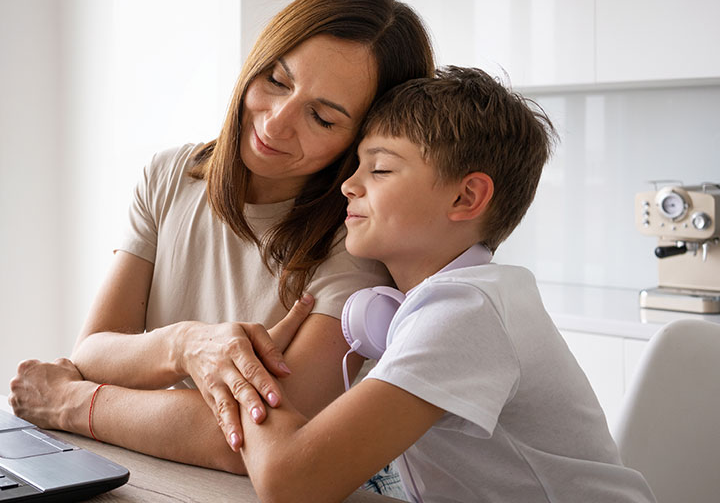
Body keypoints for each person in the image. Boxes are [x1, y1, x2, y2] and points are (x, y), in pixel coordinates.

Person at [8, 0, 435, 489]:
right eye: (276, 80)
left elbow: (248, 442)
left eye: (321, 116)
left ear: (365, 138)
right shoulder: (172, 175)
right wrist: (186, 344)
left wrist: (70, 401)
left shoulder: (359, 243)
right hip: (155, 473)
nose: (276, 124)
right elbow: (93, 354)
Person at [233, 66, 657, 502]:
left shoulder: (465, 313)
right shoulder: (449, 301)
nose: (348, 185)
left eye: (379, 169)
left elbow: (292, 483)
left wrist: (241, 371)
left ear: (465, 198)